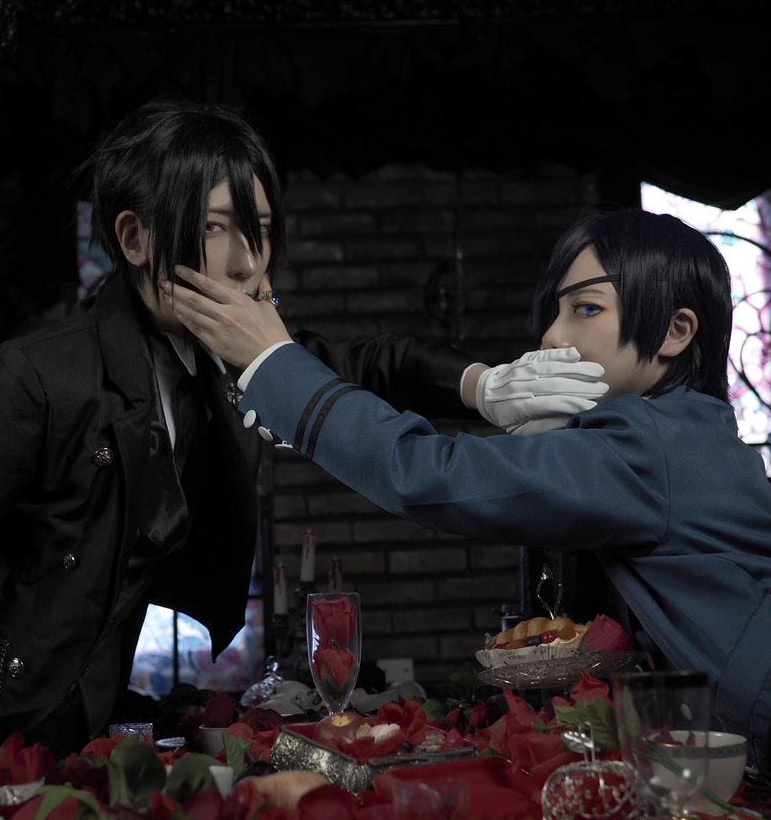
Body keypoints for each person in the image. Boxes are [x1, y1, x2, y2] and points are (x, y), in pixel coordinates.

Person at [0, 95, 607, 757]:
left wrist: (483, 384)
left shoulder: (216, 359)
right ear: (135, 239)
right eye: (213, 227)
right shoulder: (34, 379)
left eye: (261, 229)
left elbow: (363, 361)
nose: (248, 262)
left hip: (79, 727)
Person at [162, 206, 771, 781]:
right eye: (555, 312)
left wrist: (275, 366)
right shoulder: (688, 432)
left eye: (585, 308)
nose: (552, 335)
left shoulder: (649, 444)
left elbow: (427, 473)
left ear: (675, 331)